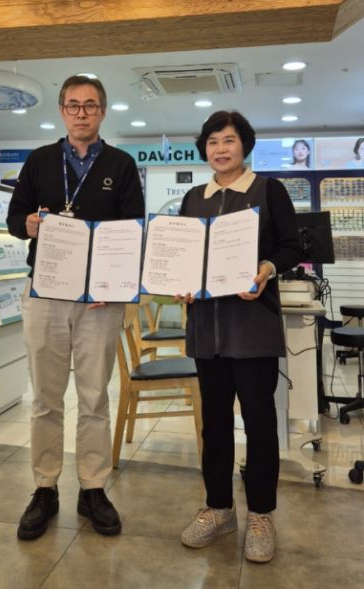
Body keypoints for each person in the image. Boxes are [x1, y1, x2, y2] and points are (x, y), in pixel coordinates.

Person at [7, 75, 144, 541]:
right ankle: (45, 488)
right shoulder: (39, 161)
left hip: (98, 299)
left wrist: (118, 285)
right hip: (45, 293)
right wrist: (28, 224)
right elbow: (14, 218)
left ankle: (93, 487)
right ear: (62, 111)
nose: (81, 113)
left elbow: (131, 231)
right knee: (45, 398)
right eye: (72, 105)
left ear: (103, 111)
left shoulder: (121, 164)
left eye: (90, 105)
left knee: (94, 396)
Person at [178, 111, 301, 563]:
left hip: (252, 327)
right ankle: (219, 508)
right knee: (214, 422)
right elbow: (185, 255)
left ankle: (262, 514)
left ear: (244, 145)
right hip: (206, 327)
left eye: (228, 140)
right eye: (212, 142)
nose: (220, 149)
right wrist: (180, 280)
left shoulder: (268, 191)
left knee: (259, 422)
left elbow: (292, 246)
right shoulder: (194, 198)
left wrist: (267, 268)